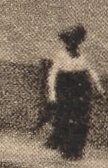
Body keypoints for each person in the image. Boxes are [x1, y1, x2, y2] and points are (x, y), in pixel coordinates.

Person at [38, 26, 101, 159]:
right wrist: (52, 95)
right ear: (67, 42)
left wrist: (98, 86)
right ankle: (66, 149)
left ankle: (76, 150)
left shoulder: (81, 56)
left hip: (80, 89)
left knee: (81, 120)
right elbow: (52, 75)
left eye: (76, 41)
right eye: (71, 41)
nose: (73, 44)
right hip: (66, 89)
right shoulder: (60, 56)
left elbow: (90, 71)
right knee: (67, 119)